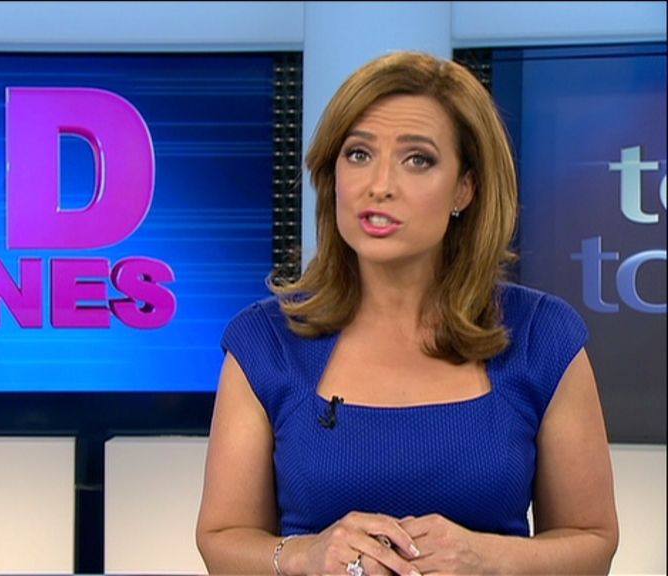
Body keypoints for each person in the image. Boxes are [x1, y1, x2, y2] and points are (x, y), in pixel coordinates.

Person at [194, 50, 619, 576]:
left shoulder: (542, 338)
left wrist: (487, 558)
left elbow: (593, 543)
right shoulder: (265, 343)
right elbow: (221, 540)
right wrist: (306, 555)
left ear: (465, 188)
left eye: (417, 159)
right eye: (358, 154)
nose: (380, 185)